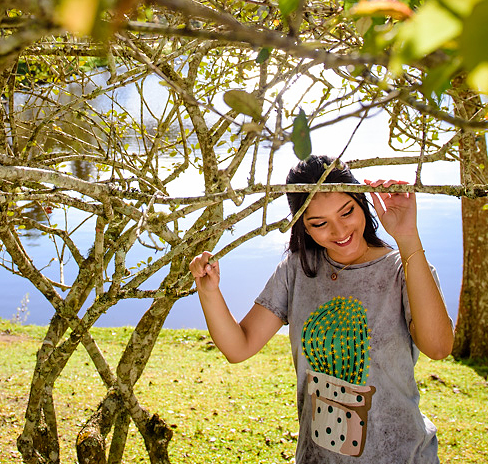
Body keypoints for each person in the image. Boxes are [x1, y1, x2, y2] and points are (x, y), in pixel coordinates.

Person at [189, 154, 453, 462]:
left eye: (347, 212)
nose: (339, 232)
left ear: (361, 202)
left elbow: (438, 347)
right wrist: (209, 291)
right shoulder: (298, 269)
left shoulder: (402, 269)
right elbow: (239, 346)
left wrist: (408, 238)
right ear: (303, 226)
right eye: (320, 223)